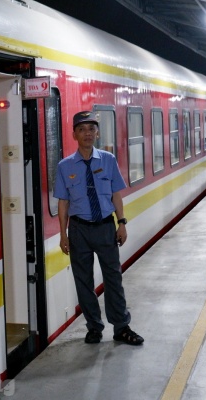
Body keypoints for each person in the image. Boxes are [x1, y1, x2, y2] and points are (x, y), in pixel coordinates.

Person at [53, 111, 143, 346]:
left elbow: (116, 194)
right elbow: (63, 202)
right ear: (74, 134)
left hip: (105, 226)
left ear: (97, 133)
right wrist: (63, 234)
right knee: (83, 281)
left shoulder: (108, 159)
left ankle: (121, 327)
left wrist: (121, 222)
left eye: (91, 129)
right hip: (79, 230)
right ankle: (94, 327)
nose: (87, 134)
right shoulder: (65, 166)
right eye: (82, 129)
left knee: (113, 278)